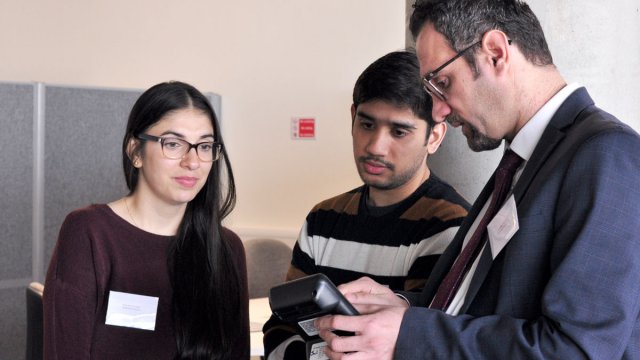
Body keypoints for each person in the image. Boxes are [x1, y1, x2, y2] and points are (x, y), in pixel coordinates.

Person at [315, 0, 640, 359]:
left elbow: (576, 350)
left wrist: (409, 333)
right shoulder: (522, 159)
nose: (438, 110)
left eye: (441, 83)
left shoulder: (606, 152)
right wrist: (401, 309)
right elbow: (484, 308)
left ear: (496, 53)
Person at [263, 50, 470, 359]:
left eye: (399, 131)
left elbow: (423, 344)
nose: (375, 146)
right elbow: (280, 331)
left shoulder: (450, 226)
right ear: (352, 117)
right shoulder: (322, 219)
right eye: (367, 125)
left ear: (435, 136)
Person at [43, 81, 249, 359]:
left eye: (204, 146)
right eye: (173, 144)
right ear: (135, 151)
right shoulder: (89, 233)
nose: (192, 161)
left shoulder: (225, 247)